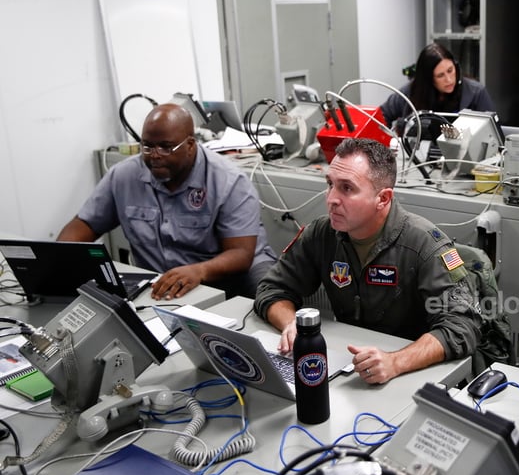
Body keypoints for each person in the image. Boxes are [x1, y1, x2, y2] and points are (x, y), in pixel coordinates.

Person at [254, 138, 482, 384]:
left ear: (383, 199)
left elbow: (462, 326)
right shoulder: (322, 234)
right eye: (330, 184)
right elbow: (273, 289)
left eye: (347, 188)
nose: (331, 198)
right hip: (351, 367)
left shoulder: (426, 245)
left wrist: (395, 361)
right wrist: (291, 325)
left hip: (414, 375)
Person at [57, 103, 276, 300]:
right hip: (164, 283)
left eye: (165, 147)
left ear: (190, 145)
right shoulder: (124, 176)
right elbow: (83, 225)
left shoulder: (228, 181)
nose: (155, 155)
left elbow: (240, 254)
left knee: (268, 293)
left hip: (228, 276)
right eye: (147, 146)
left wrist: (198, 271)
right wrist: (55, 261)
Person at [379, 43, 496, 126]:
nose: (449, 80)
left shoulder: (476, 92)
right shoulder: (410, 92)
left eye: (450, 70)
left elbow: (494, 133)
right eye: (440, 75)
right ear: (428, 79)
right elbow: (379, 118)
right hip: (417, 156)